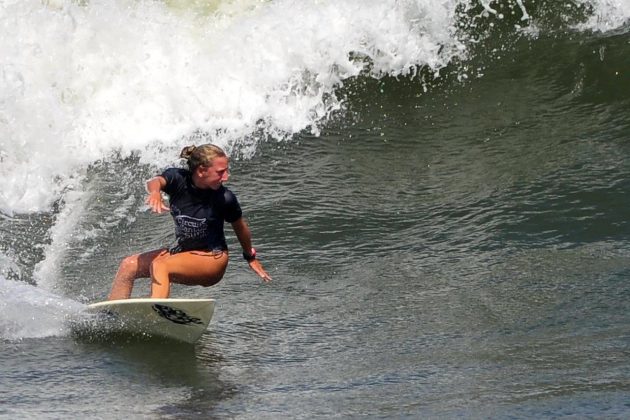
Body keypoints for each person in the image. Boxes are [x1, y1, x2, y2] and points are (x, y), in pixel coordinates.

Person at [108, 144, 271, 300]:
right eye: (221, 172)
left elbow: (240, 228)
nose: (226, 177)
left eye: (226, 171)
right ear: (201, 171)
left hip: (212, 259)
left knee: (160, 265)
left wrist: (250, 257)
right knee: (128, 265)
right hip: (182, 252)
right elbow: (154, 181)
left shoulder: (225, 198)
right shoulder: (177, 179)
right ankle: (112, 317)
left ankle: (155, 314)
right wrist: (155, 192)